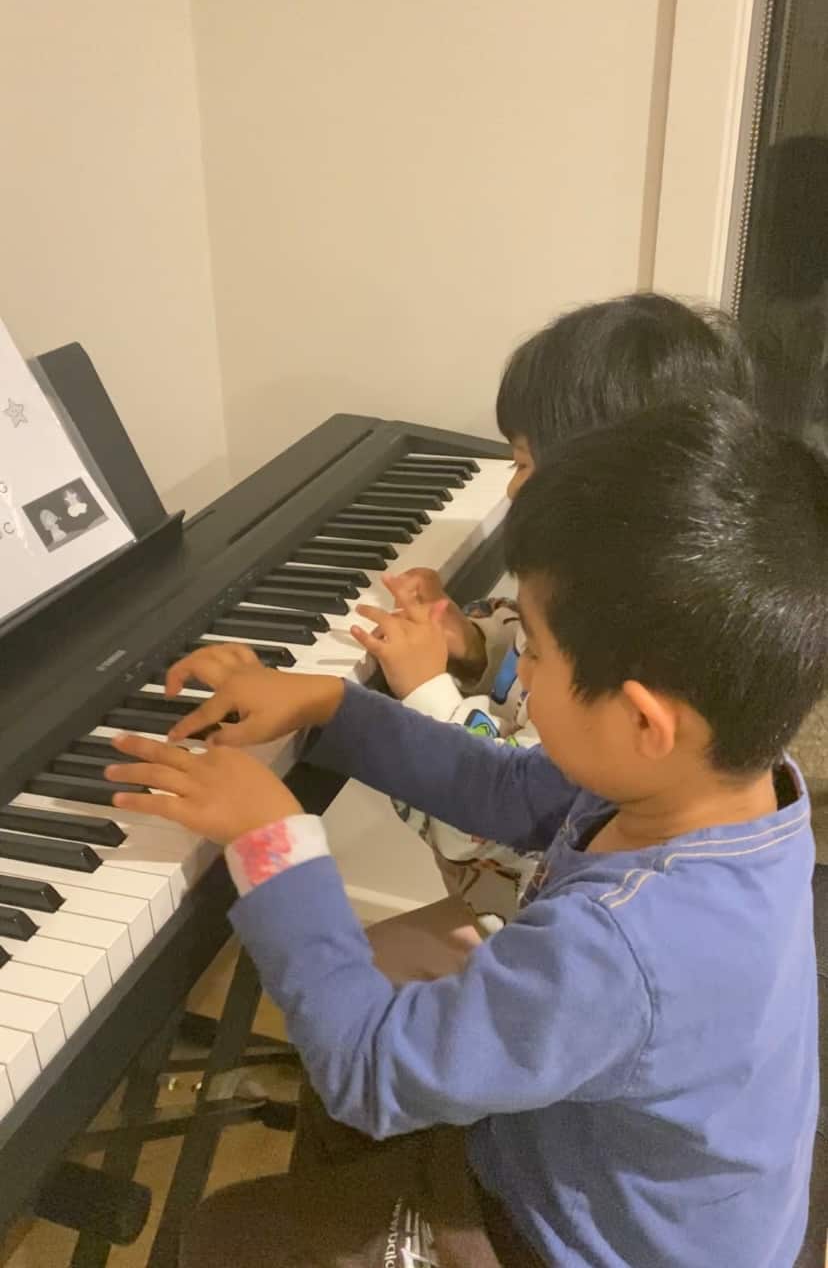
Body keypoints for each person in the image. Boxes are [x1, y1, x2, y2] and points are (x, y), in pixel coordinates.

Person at [106, 396, 826, 1268]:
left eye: (539, 655)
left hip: (593, 1243)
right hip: (641, 1179)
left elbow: (370, 1068)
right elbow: (508, 786)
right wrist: (334, 705)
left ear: (644, 722)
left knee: (225, 1239)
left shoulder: (624, 947)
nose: (523, 673)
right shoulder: (724, 780)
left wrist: (272, 837)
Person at [353, 293, 756, 967]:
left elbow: (485, 815)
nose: (512, 490)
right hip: (521, 905)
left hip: (557, 937)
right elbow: (533, 664)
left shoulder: (635, 676)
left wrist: (425, 687)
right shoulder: (616, 585)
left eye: (523, 463)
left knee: (357, 979)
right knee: (367, 962)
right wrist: (473, 647)